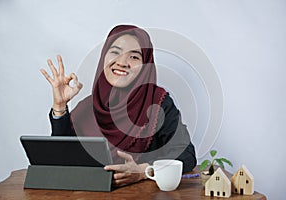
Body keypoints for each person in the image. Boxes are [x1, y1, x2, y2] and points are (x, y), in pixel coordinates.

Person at [40, 24, 197, 187]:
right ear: (103, 58)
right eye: (115, 52)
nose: (122, 62)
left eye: (134, 57)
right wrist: (59, 107)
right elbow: (62, 157)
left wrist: (144, 171)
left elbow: (186, 154)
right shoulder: (88, 106)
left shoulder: (158, 102)